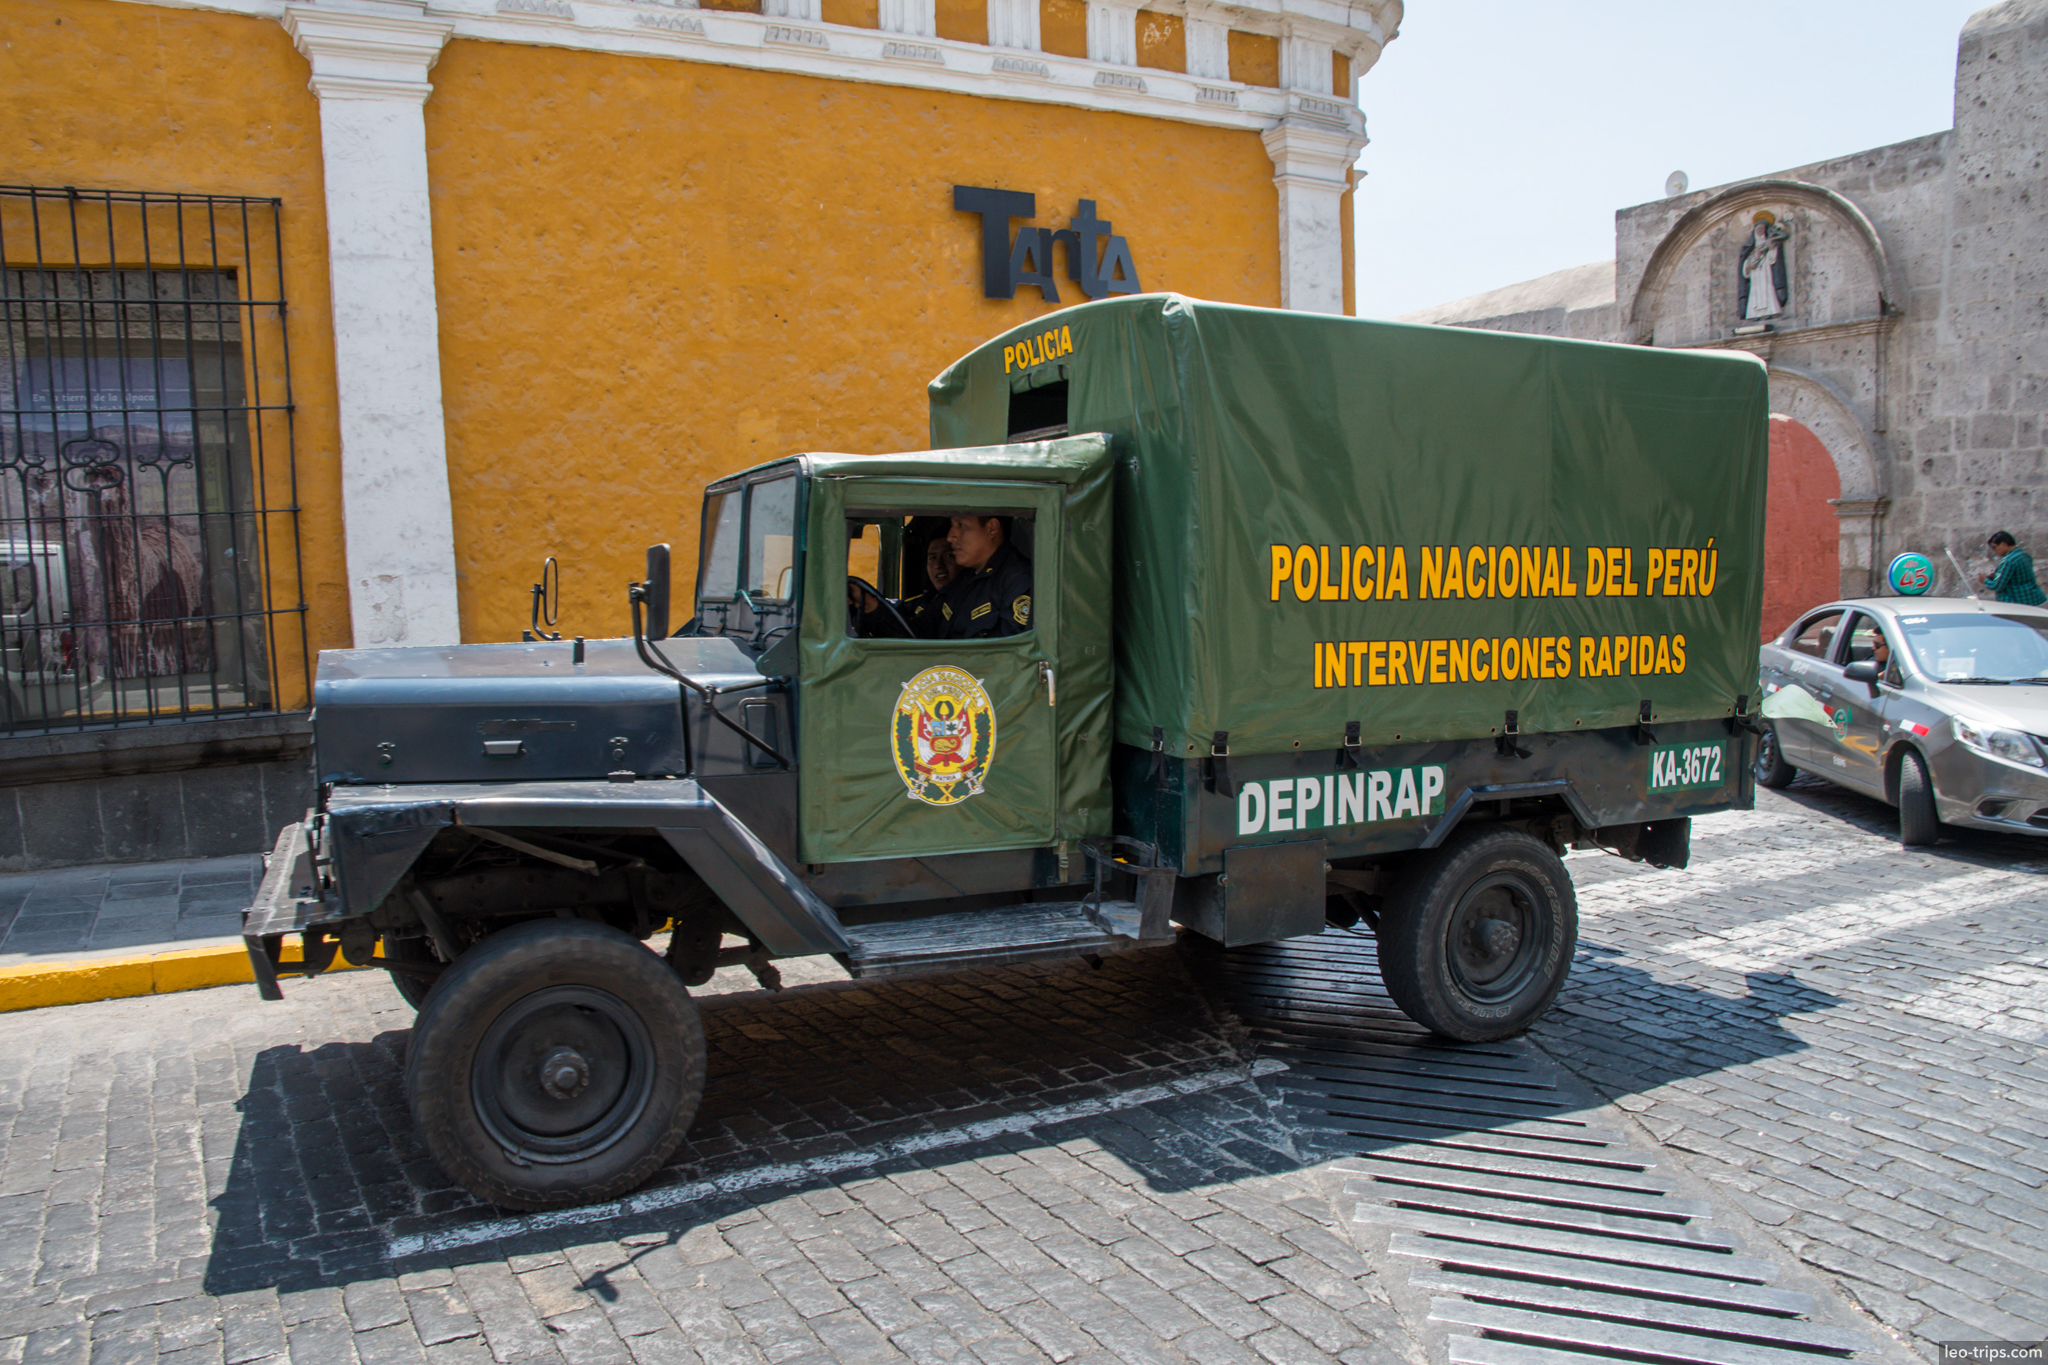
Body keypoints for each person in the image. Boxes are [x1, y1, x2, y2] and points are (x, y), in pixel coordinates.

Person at [940, 513, 1032, 638]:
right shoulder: (964, 579)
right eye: (952, 525)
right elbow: (929, 622)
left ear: (992, 528)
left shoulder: (1017, 579)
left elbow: (1011, 650)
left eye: (961, 525)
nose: (950, 537)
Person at [853, 536, 957, 638]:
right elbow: (899, 609)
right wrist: (866, 602)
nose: (938, 565)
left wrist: (871, 607)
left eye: (949, 555)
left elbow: (917, 638)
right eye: (932, 558)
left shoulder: (959, 601)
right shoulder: (929, 598)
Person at [1982, 531, 2045, 605]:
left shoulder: (2008, 560)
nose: (1994, 551)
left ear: (2003, 544)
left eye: (1994, 547)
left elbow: (1997, 586)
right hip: (2033, 599)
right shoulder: (2024, 555)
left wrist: (1984, 580)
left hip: (2017, 603)